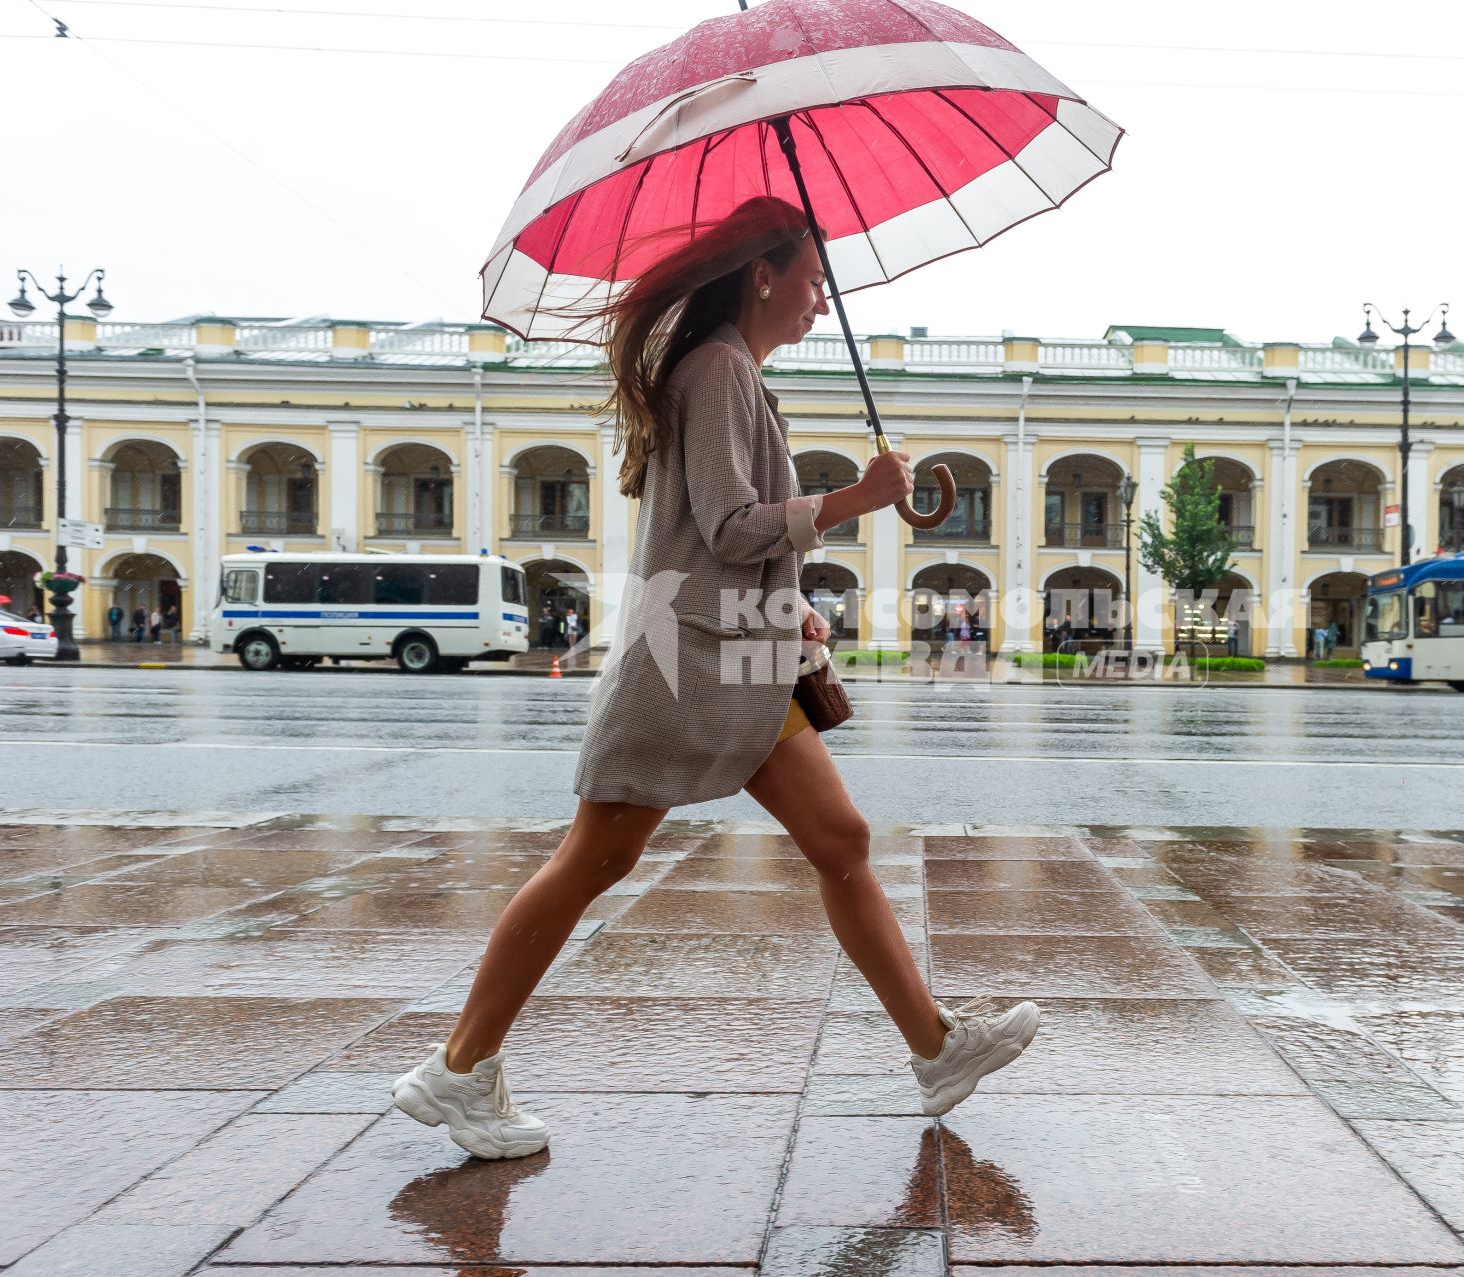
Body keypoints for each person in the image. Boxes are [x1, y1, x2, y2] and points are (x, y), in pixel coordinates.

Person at [393, 196, 1039, 1161]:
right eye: (813, 278)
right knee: (593, 861)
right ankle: (458, 1065)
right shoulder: (719, 369)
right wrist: (857, 498)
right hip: (689, 660)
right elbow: (733, 523)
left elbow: (725, 539)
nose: (823, 299)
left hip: (738, 647)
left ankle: (935, 1047)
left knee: (842, 839)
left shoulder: (733, 374)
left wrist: (793, 601)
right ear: (763, 274)